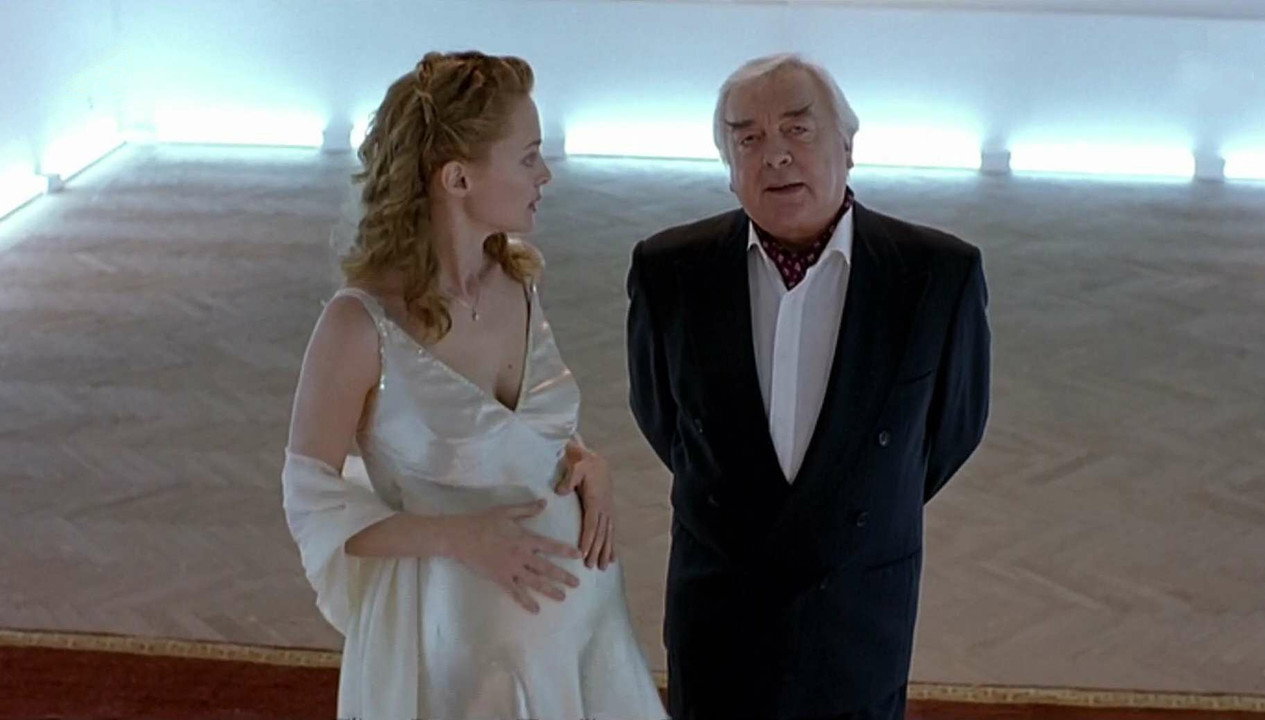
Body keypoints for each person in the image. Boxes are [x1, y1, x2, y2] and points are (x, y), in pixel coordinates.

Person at [282, 50, 666, 720]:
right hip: (461, 666)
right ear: (457, 178)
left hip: (585, 647)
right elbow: (311, 502)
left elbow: (523, 437)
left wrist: (589, 462)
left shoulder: (516, 281)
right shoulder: (358, 327)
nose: (546, 174)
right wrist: (457, 537)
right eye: (528, 157)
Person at [627, 54, 991, 720]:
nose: (775, 155)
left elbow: (948, 435)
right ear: (728, 164)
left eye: (798, 129)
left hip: (859, 613)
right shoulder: (669, 271)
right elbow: (663, 419)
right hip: (718, 616)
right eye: (748, 138)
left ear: (848, 145)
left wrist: (851, 500)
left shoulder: (937, 276)